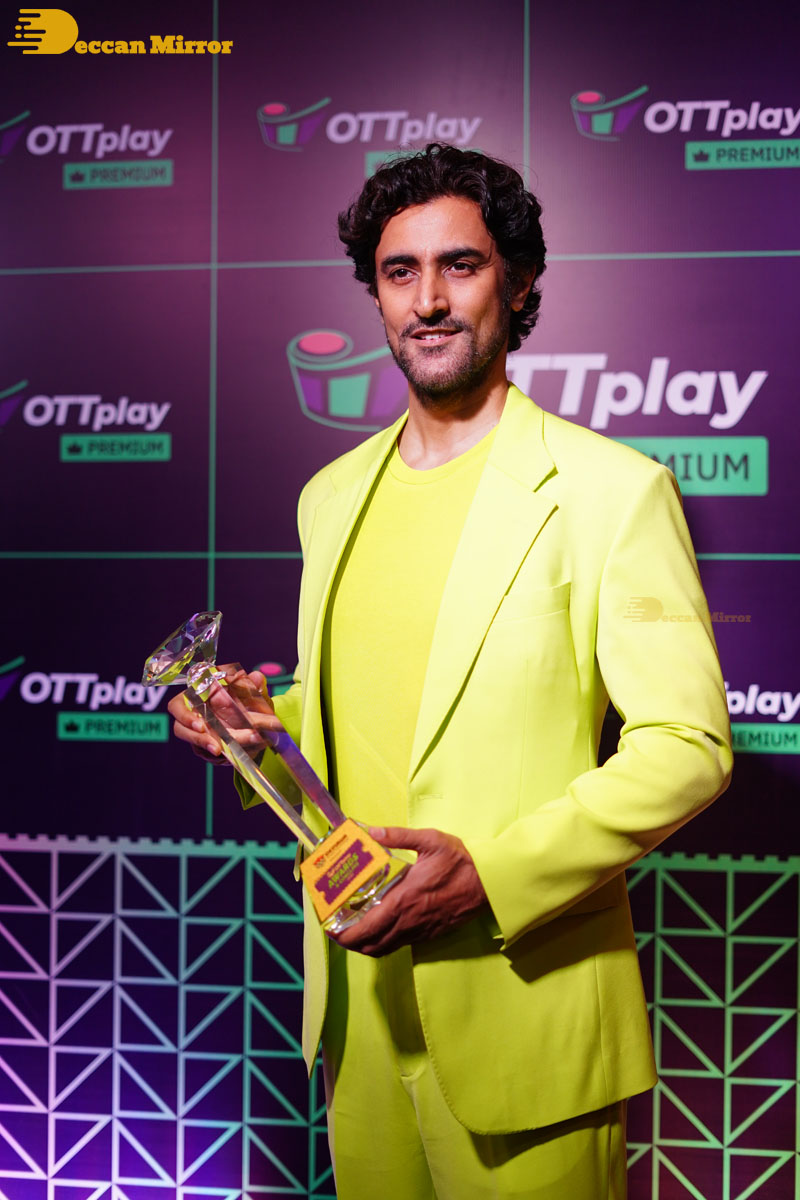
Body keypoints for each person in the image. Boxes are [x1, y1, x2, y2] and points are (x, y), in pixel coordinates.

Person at [170, 143, 733, 1198]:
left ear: (517, 284)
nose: (427, 300)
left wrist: (490, 877)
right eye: (399, 272)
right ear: (376, 296)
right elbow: (361, 711)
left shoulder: (613, 491)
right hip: (358, 1016)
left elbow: (686, 747)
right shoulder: (330, 496)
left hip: (527, 1016)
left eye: (459, 265)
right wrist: (255, 727)